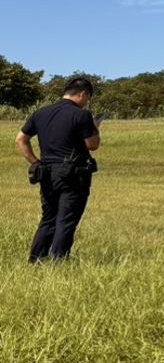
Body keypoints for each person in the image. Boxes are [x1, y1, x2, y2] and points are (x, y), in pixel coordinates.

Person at [15, 76, 102, 262]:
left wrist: (35, 162)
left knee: (48, 218)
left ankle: (35, 260)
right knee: (66, 220)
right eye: (87, 99)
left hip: (46, 172)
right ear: (82, 94)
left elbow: (21, 139)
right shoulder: (81, 115)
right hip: (73, 175)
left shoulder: (41, 113)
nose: (86, 103)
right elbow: (92, 145)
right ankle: (58, 263)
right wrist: (95, 128)